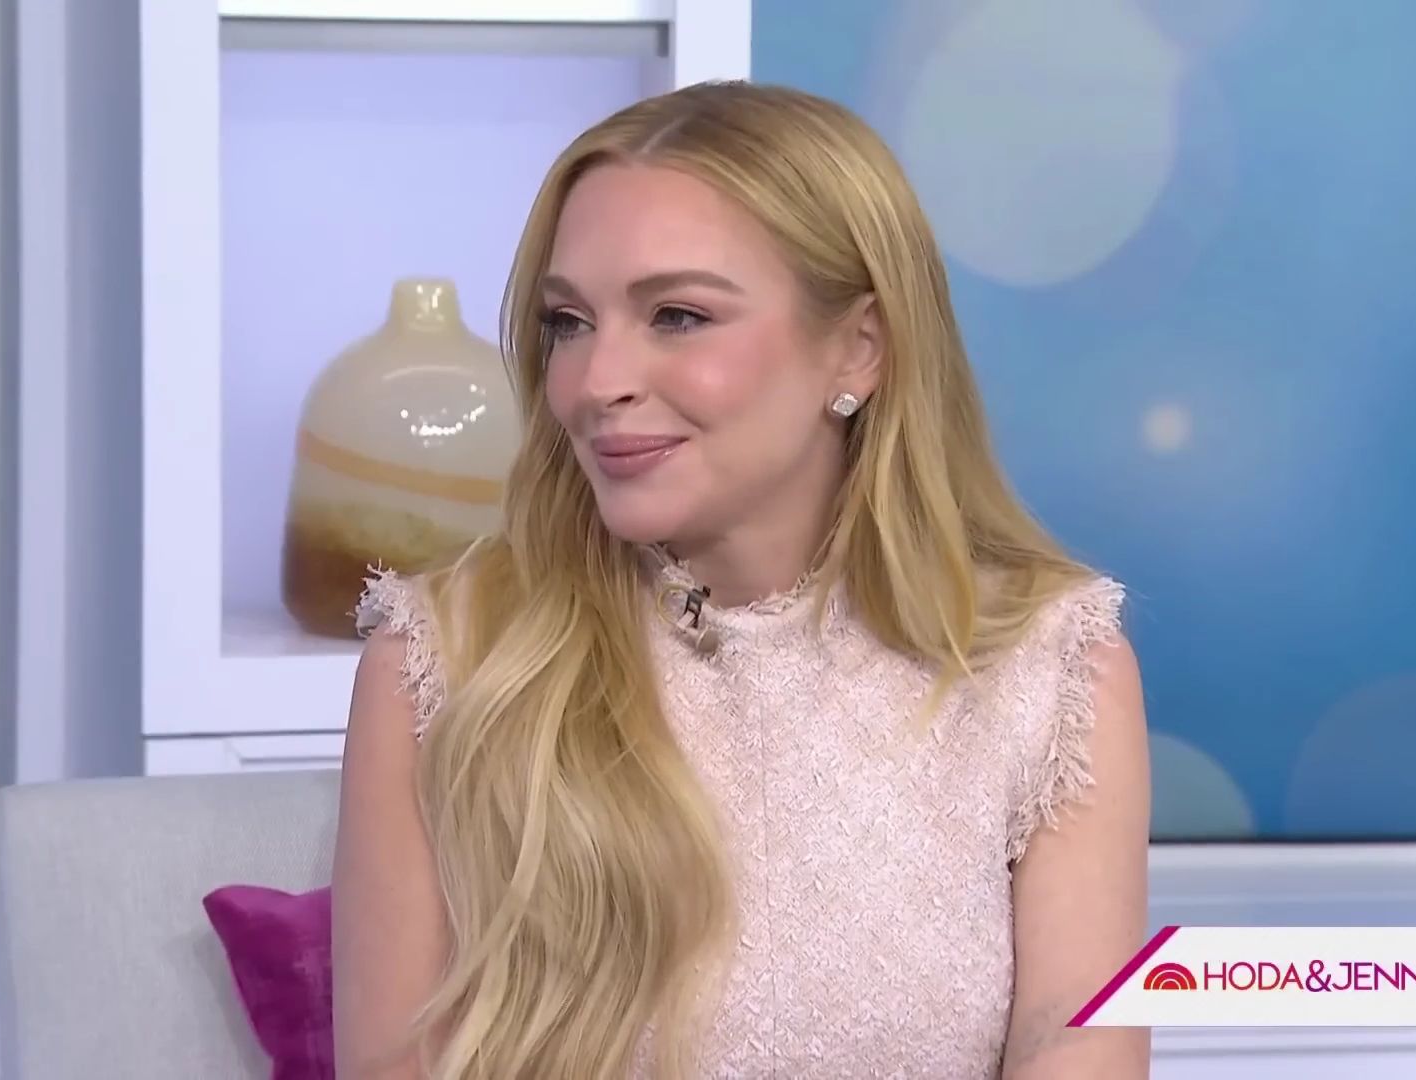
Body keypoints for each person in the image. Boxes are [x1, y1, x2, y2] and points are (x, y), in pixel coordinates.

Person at [330, 80, 1151, 1079]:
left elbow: (1076, 1043)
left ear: (858, 348)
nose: (596, 383)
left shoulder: (1048, 669)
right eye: (568, 322)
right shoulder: (446, 659)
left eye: (677, 315)